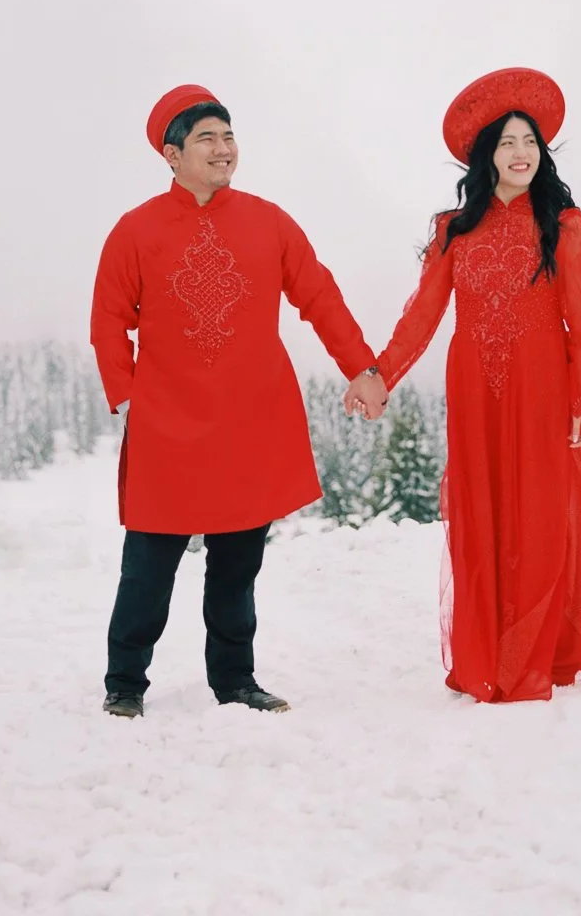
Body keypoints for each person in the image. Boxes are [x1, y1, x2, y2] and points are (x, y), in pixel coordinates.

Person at [346, 68, 581, 702]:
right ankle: (487, 651)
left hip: (543, 384)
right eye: (507, 142)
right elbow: (422, 316)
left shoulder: (564, 224)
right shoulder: (454, 228)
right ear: (487, 155)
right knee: (481, 516)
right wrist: (379, 375)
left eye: (529, 142)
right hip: (475, 384)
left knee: (539, 516)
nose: (520, 153)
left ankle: (531, 654)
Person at [91, 84, 387, 718]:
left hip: (252, 419)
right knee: (149, 565)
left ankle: (234, 680)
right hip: (167, 420)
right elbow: (108, 319)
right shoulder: (135, 230)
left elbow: (320, 296)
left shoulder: (269, 221)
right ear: (172, 154)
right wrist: (127, 396)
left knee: (236, 567)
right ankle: (125, 683)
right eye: (208, 138)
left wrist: (361, 367)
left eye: (229, 136)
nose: (224, 149)